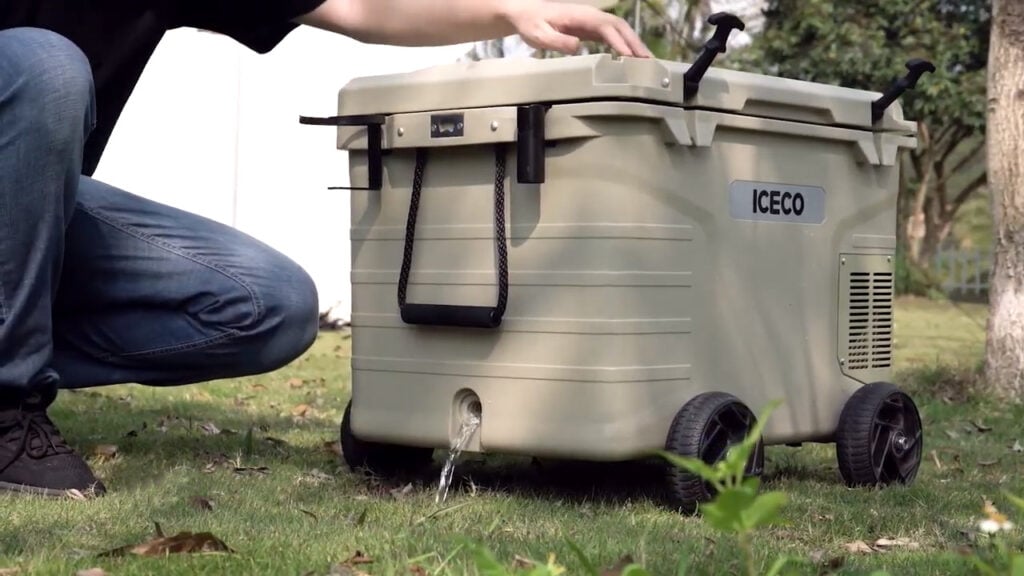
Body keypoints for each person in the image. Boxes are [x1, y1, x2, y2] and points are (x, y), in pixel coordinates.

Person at [0, 1, 652, 498]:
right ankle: (10, 408)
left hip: (35, 222)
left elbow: (360, 7)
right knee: (44, 65)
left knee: (270, 306)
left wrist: (510, 9)